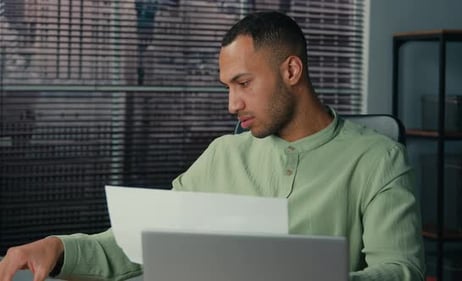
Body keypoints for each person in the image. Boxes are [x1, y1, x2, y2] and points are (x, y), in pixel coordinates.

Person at [0, 11, 425, 281]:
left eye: (243, 83)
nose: (231, 104)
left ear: (291, 70)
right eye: (227, 87)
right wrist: (58, 249)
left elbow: (401, 269)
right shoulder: (224, 154)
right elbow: (140, 244)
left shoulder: (378, 159)